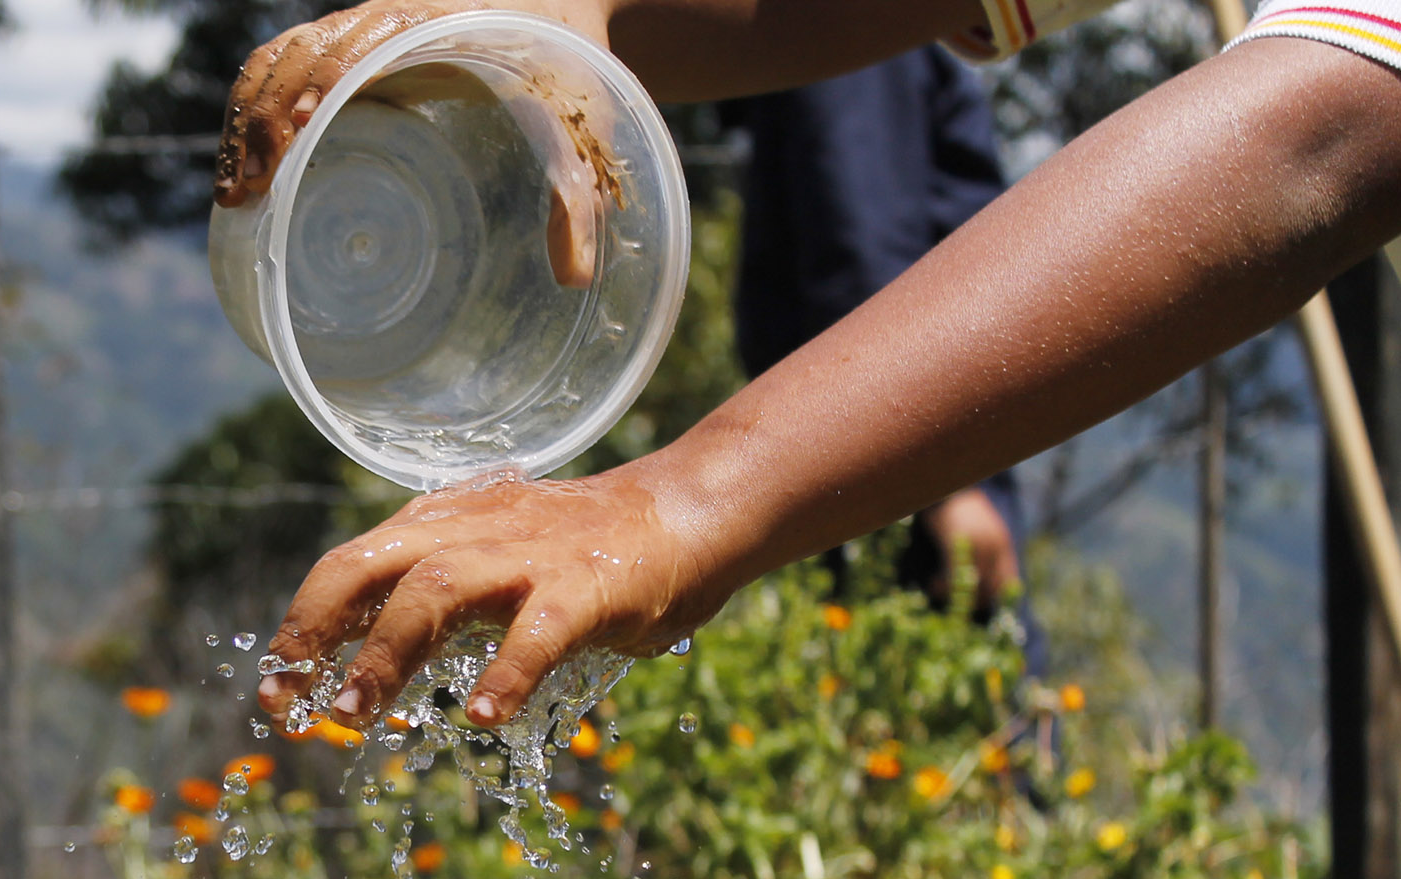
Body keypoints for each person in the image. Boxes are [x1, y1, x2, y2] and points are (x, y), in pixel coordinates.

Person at [224, 0, 1401, 735]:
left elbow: (1327, 131)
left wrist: (690, 497)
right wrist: (564, 13)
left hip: (888, 441)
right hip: (880, 436)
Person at [729, 48, 1028, 631]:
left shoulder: (865, 41)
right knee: (950, 691)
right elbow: (861, 256)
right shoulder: (865, 47)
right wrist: (944, 484)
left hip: (893, 450)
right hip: (901, 457)